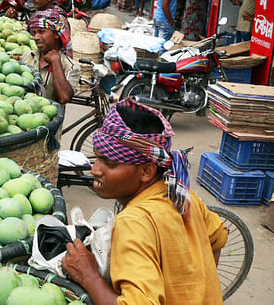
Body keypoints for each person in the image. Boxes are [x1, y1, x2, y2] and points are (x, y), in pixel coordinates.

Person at [62, 98, 227, 305]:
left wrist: (88, 276)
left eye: (110, 163)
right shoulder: (183, 196)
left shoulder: (134, 222)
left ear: (147, 171)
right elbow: (218, 239)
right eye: (97, 158)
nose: (95, 170)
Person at [20, 9, 79, 105]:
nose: (36, 37)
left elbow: (64, 98)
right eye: (34, 33)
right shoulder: (27, 56)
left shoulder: (70, 66)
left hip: (49, 117)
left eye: (41, 32)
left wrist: (56, 63)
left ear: (56, 34)